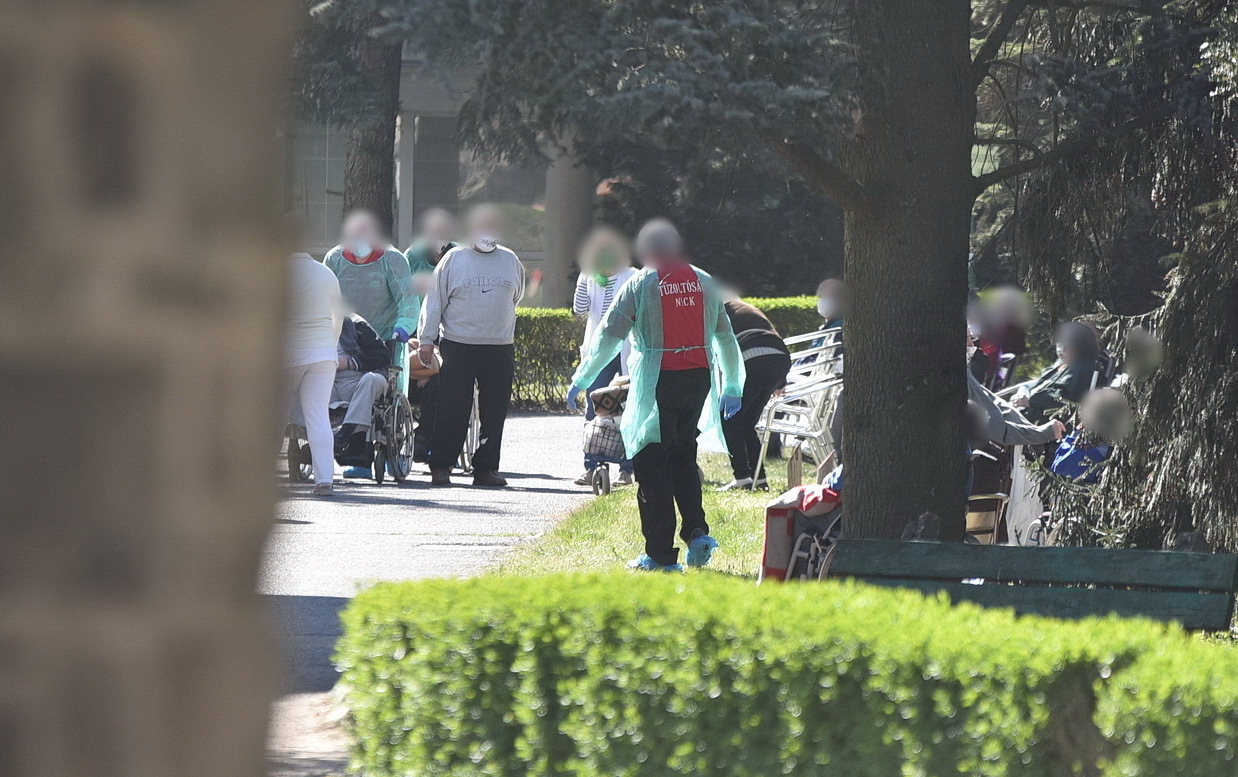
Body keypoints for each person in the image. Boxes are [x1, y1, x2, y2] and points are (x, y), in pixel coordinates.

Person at [568, 220, 744, 572]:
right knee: (683, 456)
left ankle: (661, 555)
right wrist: (733, 385)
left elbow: (608, 335)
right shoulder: (704, 281)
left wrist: (582, 378)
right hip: (698, 379)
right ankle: (697, 534)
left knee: (651, 464)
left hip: (657, 380)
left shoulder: (642, 283)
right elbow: (726, 337)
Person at [418, 204, 525, 487]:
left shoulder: (511, 260)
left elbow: (516, 297)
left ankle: (485, 469)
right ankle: (441, 466)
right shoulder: (453, 259)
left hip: (499, 347)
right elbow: (434, 301)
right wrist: (427, 340)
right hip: (458, 345)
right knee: (452, 409)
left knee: (495, 411)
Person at [325, 210, 419, 394]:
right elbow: (324, 296)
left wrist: (403, 327)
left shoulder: (392, 259)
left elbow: (407, 300)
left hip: (382, 338)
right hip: (344, 336)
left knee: (385, 387)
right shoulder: (334, 258)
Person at [282, 215, 343, 497]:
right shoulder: (326, 273)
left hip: (289, 351)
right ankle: (324, 480)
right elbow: (339, 317)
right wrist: (329, 343)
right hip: (323, 352)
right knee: (318, 416)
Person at [572, 227, 637, 486]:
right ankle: (592, 466)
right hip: (599, 353)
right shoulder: (589, 276)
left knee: (627, 409)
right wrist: (584, 277)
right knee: (595, 406)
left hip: (626, 351)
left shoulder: (633, 276)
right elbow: (579, 310)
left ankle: (626, 468)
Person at [717, 297, 791, 491]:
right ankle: (759, 478)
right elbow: (771, 334)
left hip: (752, 356)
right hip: (780, 359)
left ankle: (742, 477)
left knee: (728, 416)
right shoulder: (745, 307)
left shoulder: (716, 310)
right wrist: (781, 381)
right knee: (746, 422)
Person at [403, 208, 458, 462]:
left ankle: (424, 436)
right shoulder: (412, 256)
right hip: (414, 330)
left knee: (441, 377)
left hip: (448, 331)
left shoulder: (459, 255)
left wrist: (432, 358)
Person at [332, 314, 394, 480]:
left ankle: (345, 433)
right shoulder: (309, 329)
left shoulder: (354, 324)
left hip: (362, 379)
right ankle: (297, 437)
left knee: (370, 380)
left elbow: (383, 355)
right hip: (330, 384)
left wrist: (349, 363)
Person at [1011, 321, 1100, 423]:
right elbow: (1039, 384)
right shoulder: (1061, 364)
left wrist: (1031, 401)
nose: (1060, 345)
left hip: (1041, 423)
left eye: (1064, 341)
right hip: (1022, 413)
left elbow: (1065, 399)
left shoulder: (1083, 370)